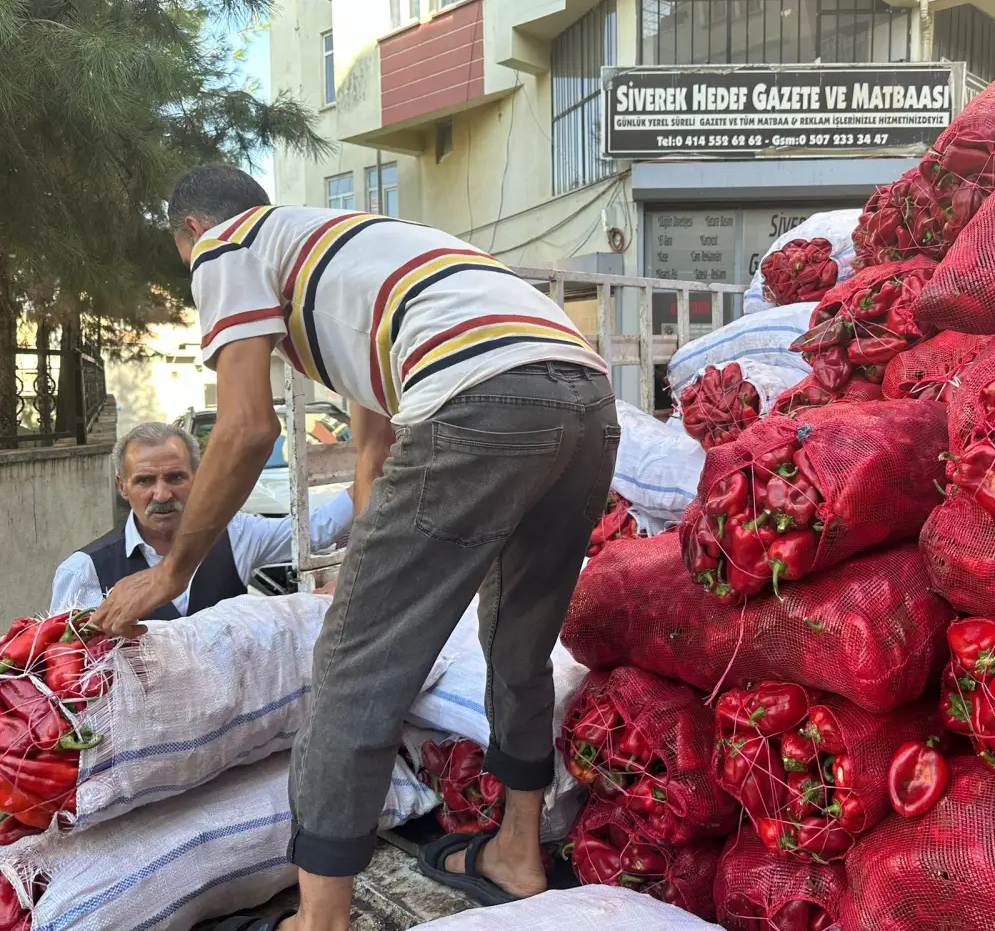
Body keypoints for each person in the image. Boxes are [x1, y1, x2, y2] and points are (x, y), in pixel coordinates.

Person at [91, 166, 619, 931]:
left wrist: (171, 572)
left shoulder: (225, 243)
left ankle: (322, 919)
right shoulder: (356, 253)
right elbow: (375, 450)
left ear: (191, 231)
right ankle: (516, 853)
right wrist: (369, 581)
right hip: (586, 398)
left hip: (478, 394)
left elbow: (245, 427)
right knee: (519, 637)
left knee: (351, 670)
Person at [52, 421, 353, 616]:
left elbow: (317, 529)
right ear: (122, 487)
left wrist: (381, 467)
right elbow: (65, 671)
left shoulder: (234, 533)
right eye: (144, 481)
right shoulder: (84, 571)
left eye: (175, 477)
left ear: (197, 478)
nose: (162, 494)